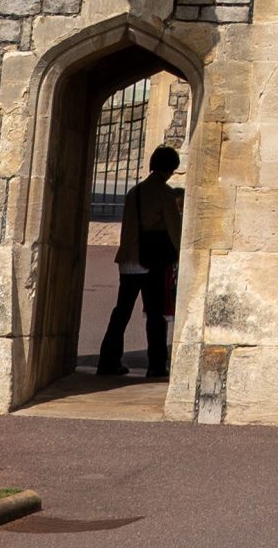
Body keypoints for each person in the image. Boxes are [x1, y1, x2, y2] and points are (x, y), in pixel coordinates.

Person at [95, 143, 183, 380]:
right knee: (155, 315)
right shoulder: (165, 194)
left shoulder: (134, 192)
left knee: (121, 311)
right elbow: (174, 231)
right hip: (152, 260)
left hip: (129, 259)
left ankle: (108, 360)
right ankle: (156, 364)